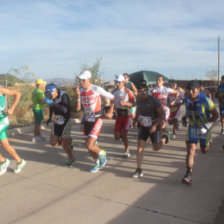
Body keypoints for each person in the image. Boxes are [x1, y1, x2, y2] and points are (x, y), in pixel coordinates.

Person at [75, 70, 114, 173]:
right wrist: (78, 96)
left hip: (97, 119)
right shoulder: (80, 90)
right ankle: (96, 162)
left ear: (89, 79)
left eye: (83, 80)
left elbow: (113, 98)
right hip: (87, 119)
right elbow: (78, 108)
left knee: (89, 145)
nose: (81, 82)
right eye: (80, 80)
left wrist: (110, 111)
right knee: (88, 146)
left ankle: (102, 153)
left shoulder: (96, 89)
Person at [181, 80, 218, 185]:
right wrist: (184, 118)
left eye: (194, 89)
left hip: (204, 129)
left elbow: (216, 115)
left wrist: (207, 126)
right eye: (190, 89)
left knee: (203, 151)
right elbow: (188, 112)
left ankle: (208, 143)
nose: (191, 91)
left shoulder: (205, 100)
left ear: (198, 89)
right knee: (190, 150)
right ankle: (188, 174)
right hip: (192, 128)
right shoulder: (187, 99)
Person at [131, 81, 166, 178]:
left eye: (143, 93)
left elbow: (162, 115)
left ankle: (164, 138)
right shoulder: (138, 100)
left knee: (156, 148)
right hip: (143, 126)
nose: (142, 95)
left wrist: (155, 126)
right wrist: (135, 120)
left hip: (154, 126)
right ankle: (139, 169)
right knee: (140, 146)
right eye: (140, 93)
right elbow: (138, 110)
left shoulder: (153, 101)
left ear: (147, 91)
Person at [45, 83, 75, 167]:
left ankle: (71, 158)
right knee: (53, 143)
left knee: (64, 143)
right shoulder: (51, 96)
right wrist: (50, 117)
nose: (49, 96)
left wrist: (52, 103)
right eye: (48, 95)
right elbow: (51, 107)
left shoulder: (63, 95)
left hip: (65, 121)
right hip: (57, 121)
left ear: (54, 91)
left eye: (50, 94)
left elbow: (65, 110)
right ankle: (68, 140)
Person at [0, 87, 26, 175]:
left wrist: (12, 109)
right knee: (5, 145)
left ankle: (3, 162)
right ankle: (20, 161)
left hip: (2, 121)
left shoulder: (1, 89)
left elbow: (17, 94)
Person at [112, 75, 136, 158]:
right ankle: (124, 140)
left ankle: (127, 151)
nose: (117, 84)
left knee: (124, 135)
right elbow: (111, 102)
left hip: (127, 115)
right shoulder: (113, 91)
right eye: (116, 82)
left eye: (118, 82)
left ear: (123, 82)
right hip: (119, 115)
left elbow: (134, 103)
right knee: (117, 137)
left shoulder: (128, 91)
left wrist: (125, 103)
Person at [151, 75, 180, 143]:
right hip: (157, 110)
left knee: (161, 123)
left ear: (163, 82)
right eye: (157, 80)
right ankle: (166, 134)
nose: (158, 81)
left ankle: (164, 136)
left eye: (159, 80)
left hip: (165, 110)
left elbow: (177, 92)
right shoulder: (153, 90)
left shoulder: (166, 89)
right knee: (160, 125)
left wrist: (174, 101)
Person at [32, 78, 46, 143]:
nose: (44, 85)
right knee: (38, 123)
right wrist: (47, 100)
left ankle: (38, 135)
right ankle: (36, 137)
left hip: (35, 108)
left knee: (37, 123)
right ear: (40, 84)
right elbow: (41, 101)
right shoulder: (40, 92)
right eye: (43, 84)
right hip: (39, 109)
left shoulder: (34, 91)